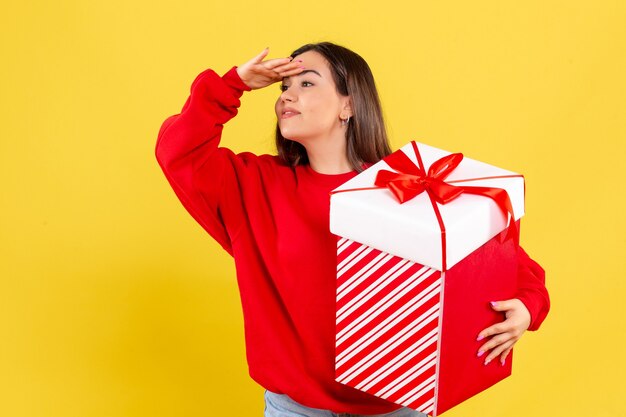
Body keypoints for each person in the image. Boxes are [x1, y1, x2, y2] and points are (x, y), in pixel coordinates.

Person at [155, 42, 550, 417]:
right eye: (283, 86)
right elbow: (176, 152)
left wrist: (527, 308)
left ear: (349, 104)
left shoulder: (409, 185)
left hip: (396, 406)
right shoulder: (254, 186)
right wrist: (231, 85)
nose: (286, 96)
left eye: (306, 82)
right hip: (294, 408)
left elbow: (507, 262)